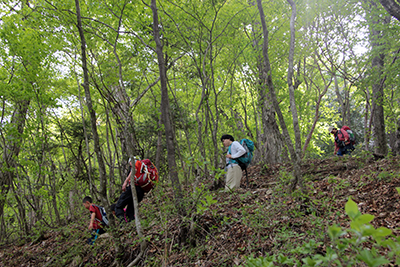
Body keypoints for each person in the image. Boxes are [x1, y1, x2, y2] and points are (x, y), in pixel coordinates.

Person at [115, 158, 145, 222]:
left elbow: (134, 170)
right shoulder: (143, 168)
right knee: (130, 210)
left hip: (133, 188)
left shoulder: (136, 163)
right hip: (141, 192)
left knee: (118, 206)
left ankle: (122, 224)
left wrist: (125, 182)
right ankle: (131, 224)